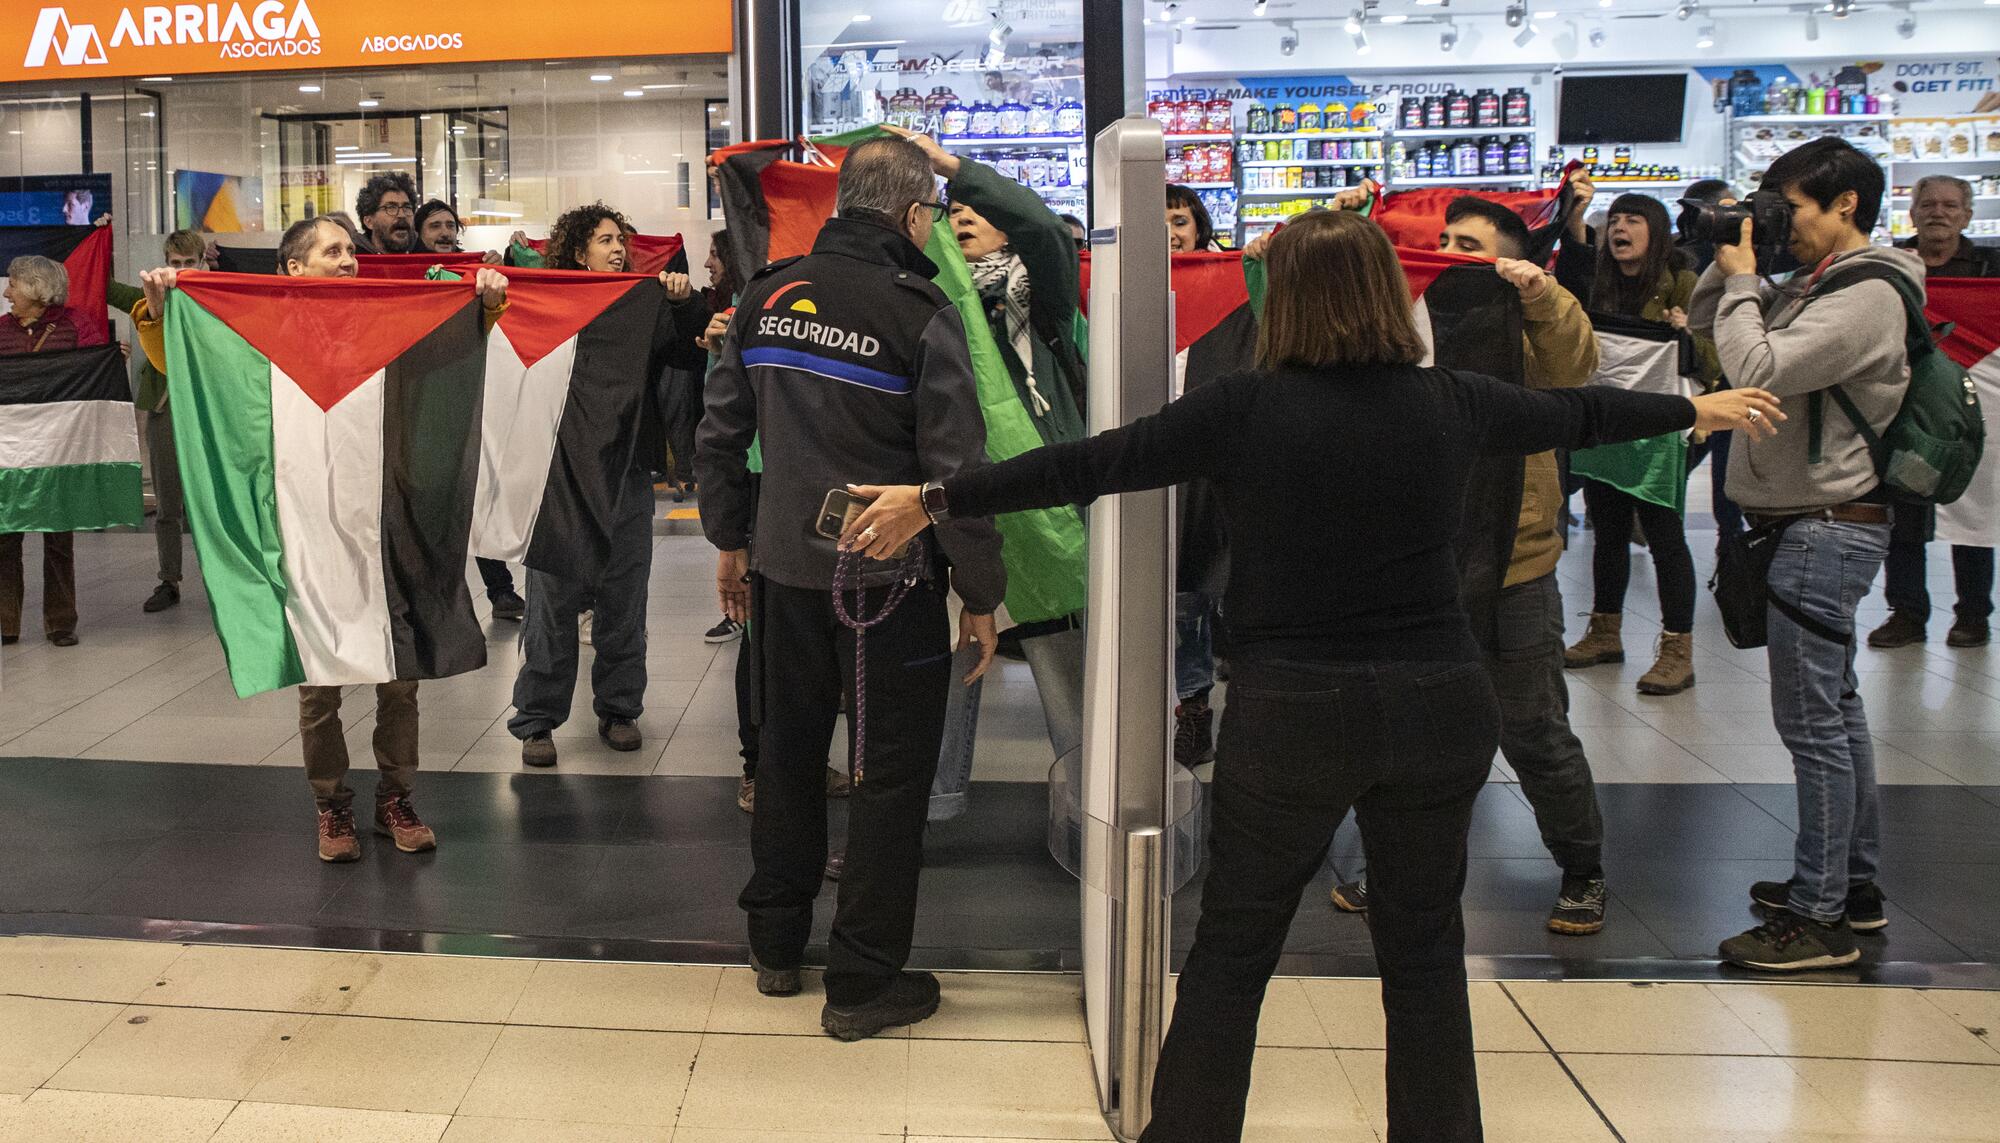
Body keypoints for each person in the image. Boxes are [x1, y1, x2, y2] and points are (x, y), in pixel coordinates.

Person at [841, 209, 1781, 1142]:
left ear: (1282, 300)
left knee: (1233, 954)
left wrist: (933, 498)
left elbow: (1091, 464)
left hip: (1293, 710)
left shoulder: (1245, 407)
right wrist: (1696, 408)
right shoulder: (1449, 399)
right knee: (1424, 955)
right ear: (1389, 293)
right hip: (1439, 702)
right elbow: (1579, 411)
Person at [696, 135, 1007, 1040]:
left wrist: (731, 539)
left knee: (787, 760)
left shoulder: (768, 296)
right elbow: (954, 471)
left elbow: (719, 436)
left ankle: (775, 945)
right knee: (886, 777)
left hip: (784, 577)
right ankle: (864, 980)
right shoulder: (921, 312)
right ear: (915, 215)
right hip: (887, 586)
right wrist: (981, 593)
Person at [140, 217, 508, 861]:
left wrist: (485, 298)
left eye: (349, 250)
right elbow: (186, 356)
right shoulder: (253, 330)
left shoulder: (385, 319)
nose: (347, 261)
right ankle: (331, 806)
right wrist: (166, 303)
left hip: (385, 518)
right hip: (303, 526)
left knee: (400, 671)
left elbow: (455, 338)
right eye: (331, 251)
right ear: (292, 269)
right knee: (319, 678)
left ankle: (396, 795)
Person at [1689, 136, 1920, 971]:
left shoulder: (1867, 295)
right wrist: (1729, 261)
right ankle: (1850, 886)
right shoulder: (1817, 284)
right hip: (1807, 523)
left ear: (1846, 203)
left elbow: (1759, 365)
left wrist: (1749, 280)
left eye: (1792, 207)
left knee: (1811, 723)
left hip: (1827, 526)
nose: (1779, 222)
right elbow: (1710, 330)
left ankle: (1817, 915)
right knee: (1838, 713)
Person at [890, 124, 1089, 816]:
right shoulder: (926, 300)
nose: (965, 216)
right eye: (955, 210)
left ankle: (1086, 805)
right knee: (954, 651)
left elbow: (1048, 232)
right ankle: (935, 798)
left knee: (1062, 661)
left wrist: (956, 169)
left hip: (1042, 499)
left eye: (982, 211)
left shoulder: (1045, 305)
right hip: (959, 494)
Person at [508, 202, 702, 768]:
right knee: (551, 603)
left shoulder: (641, 304)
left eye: (623, 239)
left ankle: (620, 709)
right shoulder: (549, 306)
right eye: (606, 239)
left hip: (627, 474)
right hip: (559, 475)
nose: (619, 248)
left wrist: (684, 303)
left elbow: (687, 356)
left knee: (624, 599)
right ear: (576, 252)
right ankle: (536, 719)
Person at [1560, 194, 1721, 694]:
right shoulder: (1597, 283)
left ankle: (1678, 649)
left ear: (1657, 231)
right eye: (1614, 221)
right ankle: (1605, 632)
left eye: (1633, 220)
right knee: (1607, 526)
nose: (1619, 229)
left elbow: (1718, 359)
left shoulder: (1686, 283)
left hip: (1663, 427)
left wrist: (1684, 337)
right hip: (1606, 422)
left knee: (1662, 531)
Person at [1870, 175, 2000, 650]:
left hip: (1975, 407)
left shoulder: (1993, 268)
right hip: (1906, 404)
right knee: (1905, 506)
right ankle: (1906, 613)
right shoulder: (1890, 266)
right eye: (1928, 204)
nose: (1938, 213)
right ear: (1913, 212)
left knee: (1976, 508)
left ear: (1967, 215)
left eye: (1950, 205)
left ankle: (1973, 614)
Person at [413, 198, 526, 620]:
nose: (444, 233)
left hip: (469, 396)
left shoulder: (473, 272)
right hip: (424, 407)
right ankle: (433, 596)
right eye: (434, 227)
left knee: (476, 498)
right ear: (420, 234)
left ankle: (500, 592)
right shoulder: (411, 276)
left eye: (449, 226)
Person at [0, 255, 82, 647]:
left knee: (58, 541)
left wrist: (110, 363)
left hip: (56, 452)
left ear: (35, 288)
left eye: (13, 285)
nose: (6, 292)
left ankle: (61, 622)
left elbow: (87, 385)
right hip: (9, 455)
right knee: (5, 539)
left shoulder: (74, 331)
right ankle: (7, 623)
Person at [354, 172, 418, 254]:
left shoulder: (426, 259)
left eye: (407, 207)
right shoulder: (353, 263)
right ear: (369, 222)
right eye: (391, 208)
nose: (402, 214)